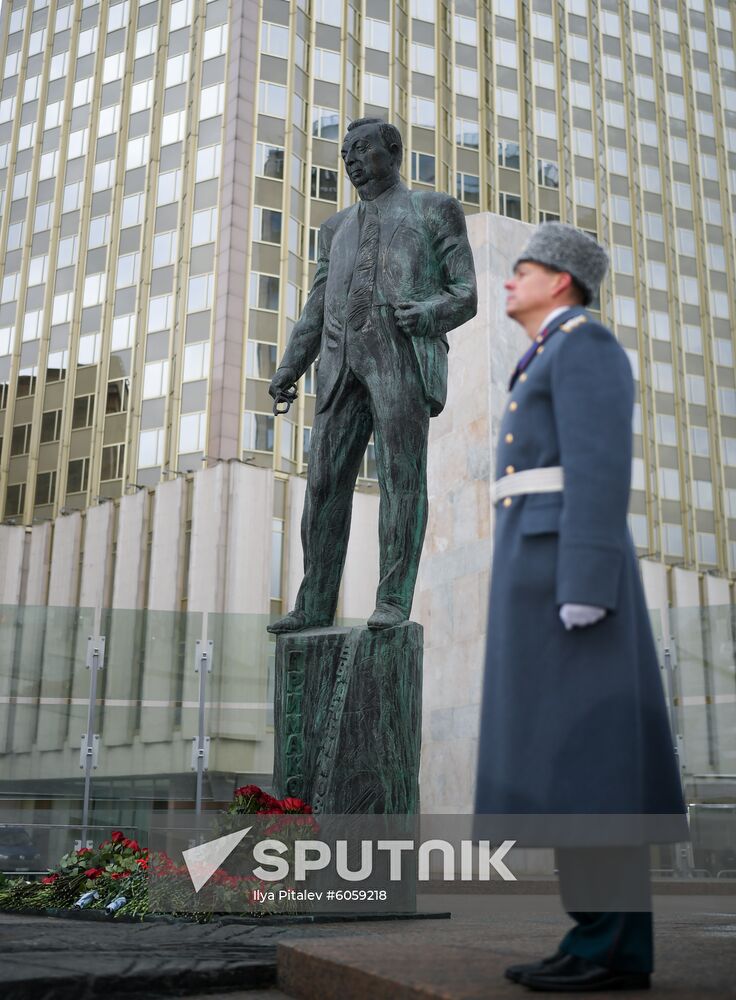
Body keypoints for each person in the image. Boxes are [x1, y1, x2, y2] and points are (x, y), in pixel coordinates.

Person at [475, 222, 687, 991]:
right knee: (571, 764)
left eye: (520, 269)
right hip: (539, 570)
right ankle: (599, 939)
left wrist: (587, 585)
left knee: (592, 766)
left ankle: (609, 945)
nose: (508, 281)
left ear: (560, 280)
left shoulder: (584, 346)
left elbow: (600, 469)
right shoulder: (546, 353)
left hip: (571, 578)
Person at [267, 118, 477, 633]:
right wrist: (291, 364)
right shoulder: (334, 229)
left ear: (394, 152)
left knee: (401, 479)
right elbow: (318, 303)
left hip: (399, 354)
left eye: (361, 150)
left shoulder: (435, 210)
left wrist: (427, 313)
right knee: (322, 485)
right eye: (345, 155)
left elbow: (465, 292)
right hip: (340, 362)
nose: (351, 161)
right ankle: (314, 602)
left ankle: (393, 599)